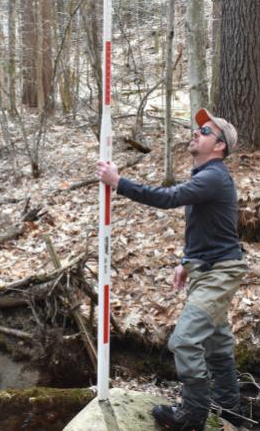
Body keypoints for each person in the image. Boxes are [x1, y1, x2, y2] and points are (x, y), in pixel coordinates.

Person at [96, 109, 247, 431]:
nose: (196, 133)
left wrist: (118, 182)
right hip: (207, 269)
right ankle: (230, 409)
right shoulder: (206, 177)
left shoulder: (213, 177)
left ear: (219, 146)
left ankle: (192, 416)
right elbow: (209, 229)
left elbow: (168, 198)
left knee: (185, 341)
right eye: (198, 129)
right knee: (218, 345)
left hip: (220, 273)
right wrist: (185, 262)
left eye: (205, 132)